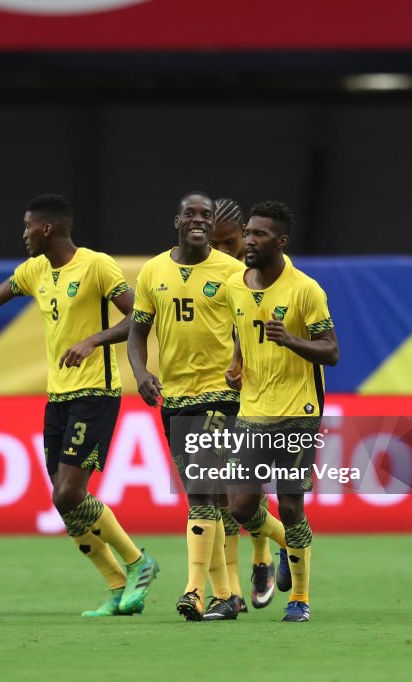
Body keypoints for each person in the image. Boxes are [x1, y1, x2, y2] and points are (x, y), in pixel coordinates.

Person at [0, 193, 158, 617]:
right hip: (58, 397)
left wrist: (94, 339)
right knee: (65, 503)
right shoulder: (34, 271)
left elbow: (139, 317)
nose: (23, 234)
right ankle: (117, 586)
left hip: (95, 393)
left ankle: (139, 563)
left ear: (47, 228)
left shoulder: (97, 265)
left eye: (28, 227)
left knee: (69, 491)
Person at [128, 191, 286, 622]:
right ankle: (241, 583)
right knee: (216, 502)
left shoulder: (233, 272)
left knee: (201, 490)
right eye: (191, 213)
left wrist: (240, 363)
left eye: (206, 215)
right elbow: (138, 331)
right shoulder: (153, 272)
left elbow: (250, 328)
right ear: (177, 219)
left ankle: (195, 589)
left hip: (223, 396)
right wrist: (141, 373)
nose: (198, 220)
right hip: (175, 398)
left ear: (212, 224)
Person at [223, 200, 339, 623]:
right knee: (239, 507)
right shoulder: (238, 285)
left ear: (282, 241)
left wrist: (291, 340)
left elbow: (331, 351)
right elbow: (242, 331)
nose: (250, 241)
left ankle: (300, 600)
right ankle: (289, 545)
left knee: (291, 506)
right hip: (252, 409)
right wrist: (237, 363)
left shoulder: (305, 290)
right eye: (248, 233)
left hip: (298, 411)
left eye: (259, 235)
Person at [213, 198, 292, 609]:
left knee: (243, 492)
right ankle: (233, 592)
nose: (224, 253)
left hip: (255, 393)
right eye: (217, 246)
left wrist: (240, 361)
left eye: (230, 243)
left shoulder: (260, 273)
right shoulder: (212, 274)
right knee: (222, 494)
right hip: (214, 388)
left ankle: (265, 555)